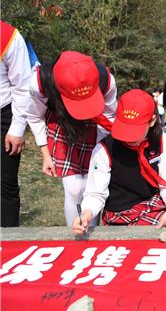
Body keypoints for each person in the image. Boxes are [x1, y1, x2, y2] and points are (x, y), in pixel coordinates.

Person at [72, 89, 166, 234]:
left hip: (155, 200)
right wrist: (87, 213)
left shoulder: (161, 141)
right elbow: (95, 193)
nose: (128, 137)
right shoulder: (103, 150)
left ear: (152, 121)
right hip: (123, 212)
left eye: (136, 130)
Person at [27, 51, 117, 226]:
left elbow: (110, 115)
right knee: (74, 187)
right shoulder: (40, 82)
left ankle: (90, 227)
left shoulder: (106, 80)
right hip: (61, 124)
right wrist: (45, 153)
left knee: (92, 183)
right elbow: (34, 116)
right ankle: (74, 233)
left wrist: (103, 151)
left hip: (95, 123)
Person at [1, 21, 32, 227]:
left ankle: (8, 243)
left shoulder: (7, 35)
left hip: (3, 114)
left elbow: (22, 85)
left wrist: (18, 127)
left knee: (5, 184)